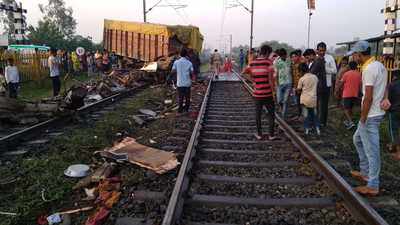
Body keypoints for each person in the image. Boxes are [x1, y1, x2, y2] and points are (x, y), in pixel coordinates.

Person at [349, 40, 389, 196]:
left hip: (370, 115)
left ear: (360, 54)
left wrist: (363, 118)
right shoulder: (379, 65)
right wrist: (385, 98)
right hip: (375, 113)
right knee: (357, 140)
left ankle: (373, 185)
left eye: (354, 54)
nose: (353, 57)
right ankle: (365, 172)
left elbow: (368, 97)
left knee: (372, 151)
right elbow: (385, 85)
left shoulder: (369, 70)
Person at [243, 44, 276, 141]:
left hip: (257, 94)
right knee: (271, 114)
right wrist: (273, 92)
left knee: (258, 114)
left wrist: (253, 81)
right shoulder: (269, 63)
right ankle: (271, 135)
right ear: (266, 53)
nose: (269, 55)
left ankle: (259, 134)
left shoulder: (252, 63)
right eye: (269, 53)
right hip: (268, 93)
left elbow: (244, 72)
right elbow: (271, 79)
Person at [297, 62, 320, 135]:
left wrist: (296, 91)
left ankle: (307, 130)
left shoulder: (302, 79)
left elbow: (299, 90)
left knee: (306, 115)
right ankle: (318, 129)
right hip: (313, 99)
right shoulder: (315, 77)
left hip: (305, 100)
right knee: (315, 115)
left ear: (301, 71)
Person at [338, 61, 361, 130]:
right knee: (350, 108)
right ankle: (348, 121)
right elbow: (360, 84)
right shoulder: (359, 74)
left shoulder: (346, 74)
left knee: (345, 108)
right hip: (355, 94)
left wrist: (338, 89)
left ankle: (351, 122)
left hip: (347, 94)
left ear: (350, 67)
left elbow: (341, 83)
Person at [172, 48, 194, 115]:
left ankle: (179, 111)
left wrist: (178, 71)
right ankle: (186, 110)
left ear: (180, 54)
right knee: (187, 98)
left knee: (180, 98)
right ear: (186, 55)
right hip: (187, 83)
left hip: (180, 83)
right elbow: (192, 72)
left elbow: (173, 70)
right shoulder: (189, 63)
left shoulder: (176, 62)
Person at [274, 48, 292, 119]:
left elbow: (291, 71)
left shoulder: (289, 61)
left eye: (284, 55)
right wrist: (276, 83)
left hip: (288, 83)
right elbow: (276, 73)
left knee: (285, 100)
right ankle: (281, 109)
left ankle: (283, 116)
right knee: (279, 100)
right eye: (281, 56)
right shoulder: (277, 62)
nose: (283, 57)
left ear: (286, 55)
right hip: (280, 83)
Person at [388, 71, 400, 160]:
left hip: (395, 110)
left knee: (394, 130)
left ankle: (397, 153)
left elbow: (389, 100)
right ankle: (392, 145)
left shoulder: (392, 85)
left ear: (394, 77)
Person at [290, 49, 303, 120]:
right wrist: (293, 86)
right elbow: (292, 75)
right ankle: (299, 114)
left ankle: (302, 115)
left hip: (302, 86)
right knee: (298, 101)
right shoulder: (292, 65)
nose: (293, 58)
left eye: (295, 56)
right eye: (292, 57)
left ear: (298, 57)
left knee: (302, 101)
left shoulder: (301, 64)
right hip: (296, 85)